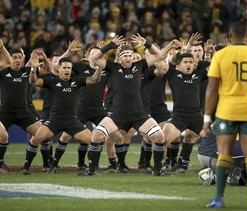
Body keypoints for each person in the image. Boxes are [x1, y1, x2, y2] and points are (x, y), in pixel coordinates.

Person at [86, 34, 168, 176]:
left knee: (160, 137)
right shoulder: (113, 67)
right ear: (121, 57)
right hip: (118, 114)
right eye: (125, 56)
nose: (128, 58)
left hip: (138, 114)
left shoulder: (140, 65)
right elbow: (94, 58)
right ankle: (91, 170)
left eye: (130, 56)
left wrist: (146, 43)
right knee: (97, 136)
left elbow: (159, 54)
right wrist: (110, 46)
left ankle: (158, 170)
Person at [202, 21, 247, 209]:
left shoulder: (220, 55)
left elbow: (212, 88)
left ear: (229, 34)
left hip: (226, 111)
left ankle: (218, 199)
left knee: (224, 154)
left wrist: (206, 119)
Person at [20, 56, 102, 175]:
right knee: (35, 139)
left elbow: (94, 80)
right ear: (59, 69)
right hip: (54, 120)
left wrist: (98, 68)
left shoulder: (76, 80)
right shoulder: (51, 80)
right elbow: (33, 81)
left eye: (69, 68)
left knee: (94, 141)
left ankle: (92, 169)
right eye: (64, 67)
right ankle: (26, 167)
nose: (67, 70)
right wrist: (33, 69)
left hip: (72, 121)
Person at [0, 46, 42, 171]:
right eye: (14, 57)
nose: (17, 60)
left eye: (20, 57)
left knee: (42, 135)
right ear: (10, 59)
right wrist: (2, 48)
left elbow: (35, 79)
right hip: (5, 113)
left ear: (23, 59)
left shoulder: (28, 71)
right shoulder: (3, 72)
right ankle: (1, 162)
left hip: (24, 112)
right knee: (3, 136)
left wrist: (34, 68)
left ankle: (31, 165)